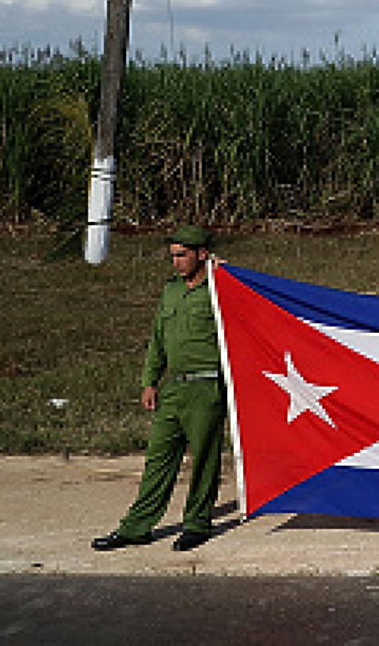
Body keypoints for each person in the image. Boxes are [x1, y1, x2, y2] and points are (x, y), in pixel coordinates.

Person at [91, 224, 227, 553]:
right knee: (158, 459)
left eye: (182, 255)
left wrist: (228, 273)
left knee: (204, 461)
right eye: (173, 256)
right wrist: (149, 381)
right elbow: (157, 340)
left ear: (202, 255)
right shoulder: (170, 290)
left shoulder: (221, 288)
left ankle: (197, 523)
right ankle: (137, 527)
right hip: (174, 388)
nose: (176, 262)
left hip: (206, 387)